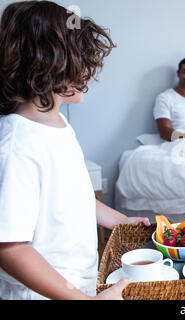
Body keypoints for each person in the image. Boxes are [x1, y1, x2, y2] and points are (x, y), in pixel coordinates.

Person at [0, 1, 150, 300]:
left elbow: (71, 197)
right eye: (81, 61)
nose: (89, 71)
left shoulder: (59, 128)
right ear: (49, 64)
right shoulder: (18, 144)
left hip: (76, 286)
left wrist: (120, 221)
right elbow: (10, 248)